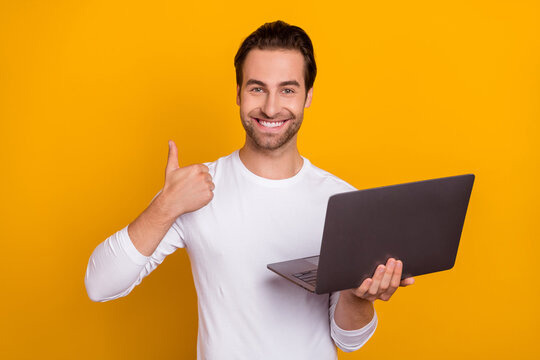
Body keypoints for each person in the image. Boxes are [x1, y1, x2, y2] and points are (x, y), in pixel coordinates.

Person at [85, 20, 415, 360]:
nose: (271, 108)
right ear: (238, 92)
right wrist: (166, 206)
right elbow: (100, 285)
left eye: (287, 90)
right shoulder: (193, 189)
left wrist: (357, 297)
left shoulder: (343, 202)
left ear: (309, 96)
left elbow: (350, 341)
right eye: (257, 88)